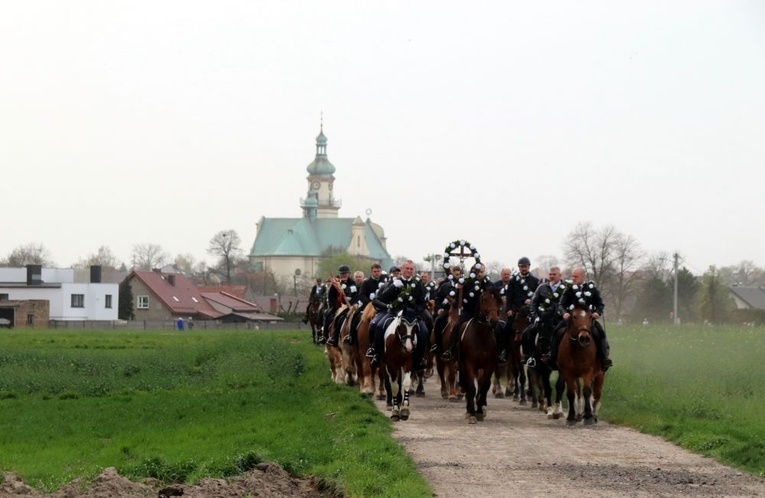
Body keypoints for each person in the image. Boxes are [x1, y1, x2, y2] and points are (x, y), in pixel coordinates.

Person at [366, 260, 429, 370]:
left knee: (424, 331)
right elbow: (380, 299)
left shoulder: (418, 284)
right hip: (394, 313)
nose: (409, 271)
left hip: (411, 315)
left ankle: (419, 358)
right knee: (377, 325)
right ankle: (376, 352)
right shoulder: (393, 283)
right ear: (402, 269)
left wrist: (416, 311)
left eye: (411, 269)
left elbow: (422, 303)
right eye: (407, 268)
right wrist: (392, 289)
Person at [548, 267, 613, 371]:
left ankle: (604, 358)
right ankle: (552, 356)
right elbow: (561, 304)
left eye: (575, 276)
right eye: (572, 276)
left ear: (583, 277)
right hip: (571, 320)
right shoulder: (569, 289)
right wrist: (564, 313)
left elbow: (600, 304)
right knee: (556, 332)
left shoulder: (592, 289)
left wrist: (597, 312)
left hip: (588, 321)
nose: (573, 278)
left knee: (601, 333)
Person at [441, 263, 503, 363]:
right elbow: (457, 300)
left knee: (499, 326)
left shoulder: (489, 284)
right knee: (457, 325)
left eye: (482, 272)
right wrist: (458, 292)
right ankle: (450, 350)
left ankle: (500, 352)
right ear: (473, 272)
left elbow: (496, 299)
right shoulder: (466, 282)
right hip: (469, 311)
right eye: (478, 272)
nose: (480, 274)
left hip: (485, 314)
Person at [523, 266, 566, 368]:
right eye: (550, 274)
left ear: (560, 275)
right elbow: (533, 304)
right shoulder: (542, 287)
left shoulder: (566, 288)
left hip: (561, 320)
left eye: (554, 274)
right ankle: (530, 357)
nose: (551, 276)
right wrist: (536, 316)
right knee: (527, 333)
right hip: (543, 319)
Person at [499, 257, 540, 364]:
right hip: (516, 311)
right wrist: (508, 309)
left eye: (525, 266)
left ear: (529, 267)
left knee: (536, 329)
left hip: (530, 312)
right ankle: (504, 352)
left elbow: (537, 297)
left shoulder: (535, 281)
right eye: (521, 266)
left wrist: (531, 301)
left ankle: (532, 355)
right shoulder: (513, 281)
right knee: (507, 328)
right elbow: (509, 297)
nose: (523, 268)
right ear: (519, 267)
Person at [319, 265, 359, 346]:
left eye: (345, 273)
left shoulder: (353, 283)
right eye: (342, 274)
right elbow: (331, 296)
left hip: (350, 306)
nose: (344, 275)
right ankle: (326, 336)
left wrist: (352, 303)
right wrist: (336, 304)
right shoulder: (335, 284)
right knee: (327, 314)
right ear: (340, 274)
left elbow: (356, 295)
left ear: (349, 274)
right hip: (338, 306)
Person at [430, 265, 462, 356]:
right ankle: (438, 345)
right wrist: (439, 308)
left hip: (460, 309)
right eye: (455, 274)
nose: (457, 276)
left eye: (459, 274)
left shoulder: (463, 286)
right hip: (447, 309)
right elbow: (437, 297)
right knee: (439, 320)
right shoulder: (444, 286)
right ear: (452, 274)